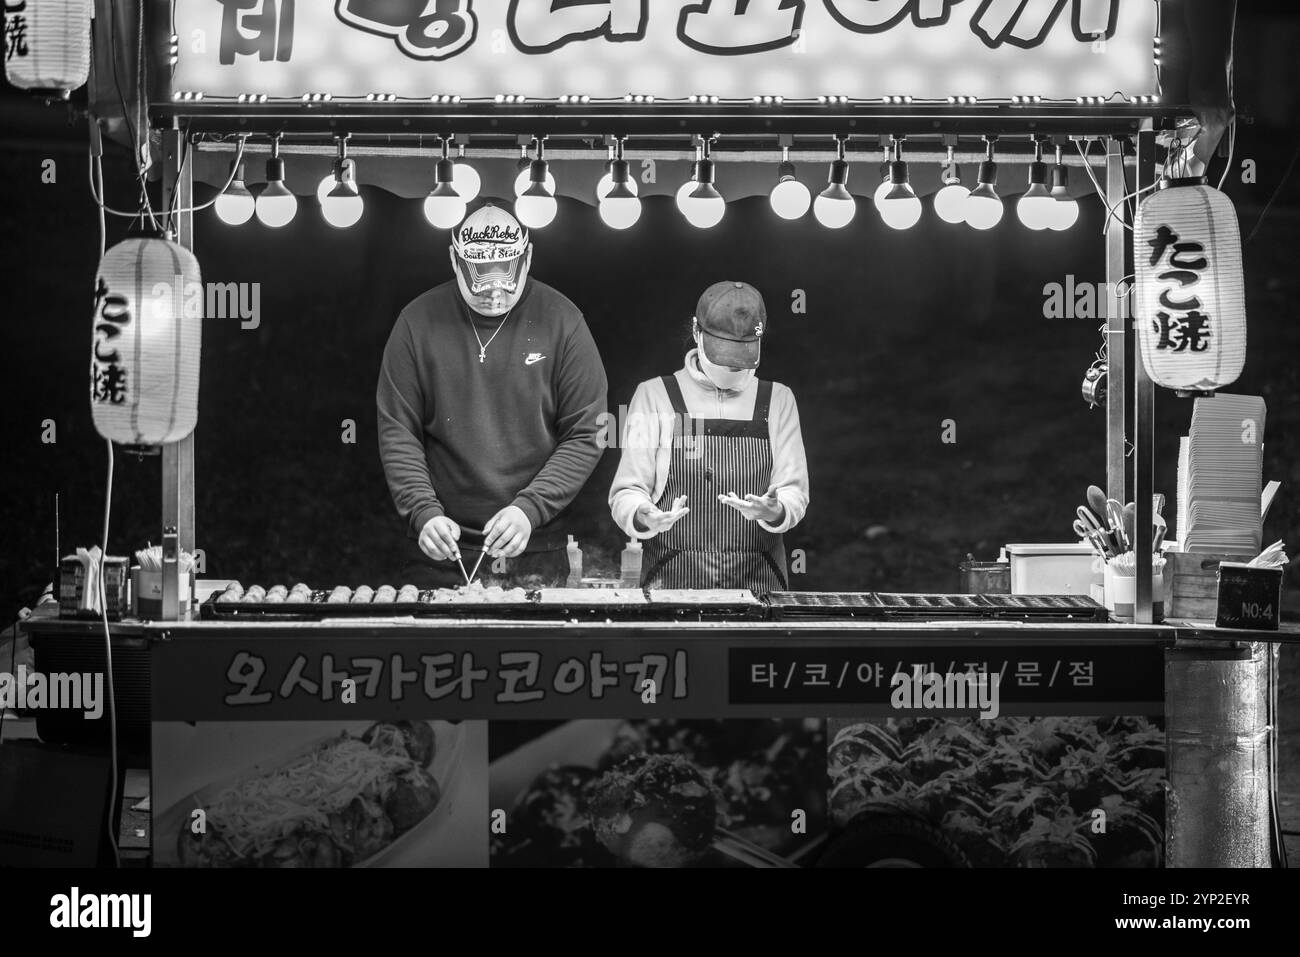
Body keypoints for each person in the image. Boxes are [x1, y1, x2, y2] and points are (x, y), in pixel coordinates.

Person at [377, 202, 608, 588]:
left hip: (535, 544)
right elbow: (398, 431)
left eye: (506, 283)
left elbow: (588, 432)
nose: (495, 296)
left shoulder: (564, 321)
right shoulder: (416, 323)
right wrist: (423, 512)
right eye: (481, 285)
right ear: (454, 260)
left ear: (527, 256)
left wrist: (529, 509)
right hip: (441, 546)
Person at [609, 281, 809, 594]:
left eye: (740, 357)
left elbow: (795, 492)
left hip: (760, 585)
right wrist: (643, 515)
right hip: (670, 583)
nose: (731, 367)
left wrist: (775, 510)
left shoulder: (778, 399)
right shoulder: (655, 395)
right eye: (723, 355)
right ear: (697, 334)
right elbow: (626, 491)